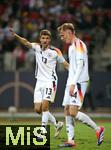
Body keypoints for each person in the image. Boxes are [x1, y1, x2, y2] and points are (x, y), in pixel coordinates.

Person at [9, 28, 69, 137]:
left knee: (45, 107)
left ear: (50, 40)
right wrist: (16, 35)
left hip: (50, 81)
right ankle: (57, 124)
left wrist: (75, 73)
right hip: (39, 82)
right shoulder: (37, 47)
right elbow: (26, 42)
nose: (45, 40)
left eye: (47, 38)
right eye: (43, 38)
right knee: (38, 109)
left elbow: (65, 64)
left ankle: (42, 132)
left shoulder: (55, 51)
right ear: (40, 39)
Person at [57, 23, 104, 147]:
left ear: (69, 32)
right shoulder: (72, 46)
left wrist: (73, 83)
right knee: (67, 109)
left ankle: (98, 129)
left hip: (78, 82)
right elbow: (73, 67)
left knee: (73, 112)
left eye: (63, 35)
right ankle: (71, 140)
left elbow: (80, 66)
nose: (62, 38)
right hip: (71, 81)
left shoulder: (79, 45)